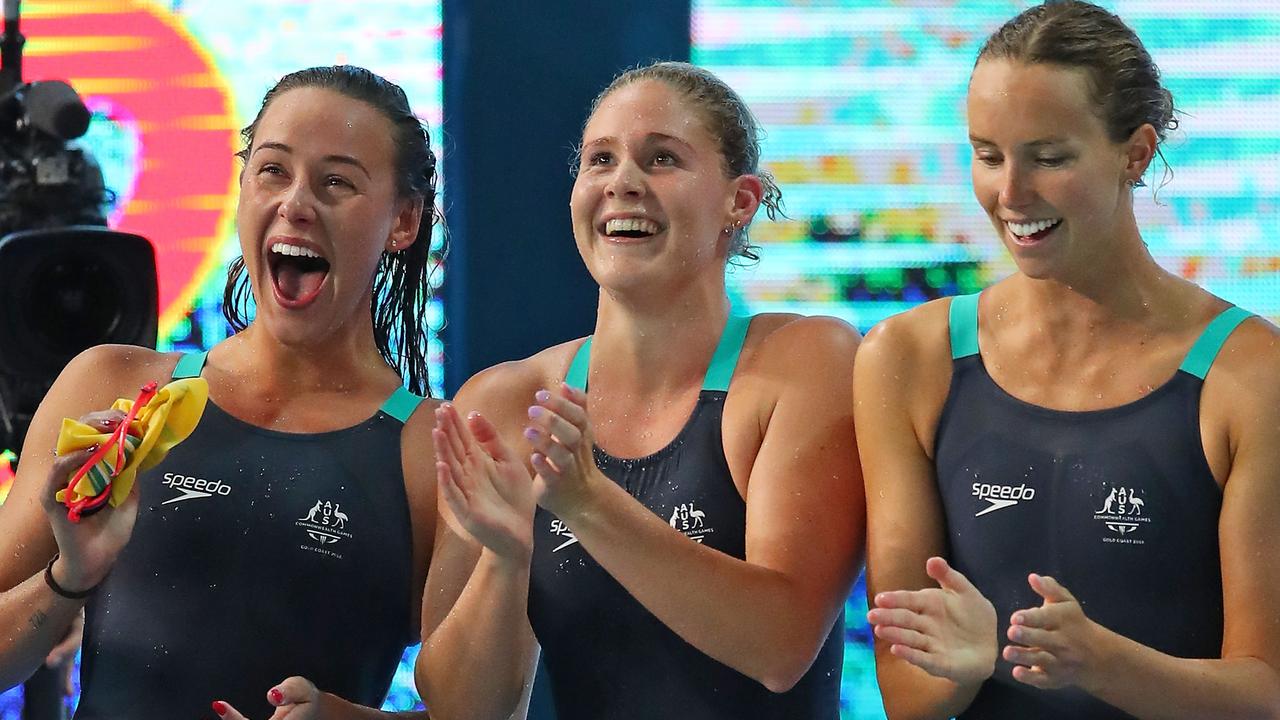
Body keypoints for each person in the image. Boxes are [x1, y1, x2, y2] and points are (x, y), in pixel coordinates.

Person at [857, 3, 1280, 718]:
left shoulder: (1249, 374)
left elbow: (1264, 692)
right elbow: (907, 696)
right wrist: (965, 664)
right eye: (987, 155)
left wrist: (1103, 662)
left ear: (1135, 154)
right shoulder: (907, 358)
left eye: (1049, 158)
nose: (1011, 193)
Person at [416, 61, 864, 720]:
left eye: (661, 160)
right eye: (600, 160)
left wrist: (588, 502)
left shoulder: (802, 364)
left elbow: (781, 643)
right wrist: (508, 560)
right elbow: (461, 708)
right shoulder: (503, 403)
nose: (622, 182)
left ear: (739, 201)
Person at [0, 65, 440, 719]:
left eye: (337, 182)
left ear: (403, 221)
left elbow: (485, 707)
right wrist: (70, 576)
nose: (296, 203)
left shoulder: (429, 453)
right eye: (272, 171)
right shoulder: (117, 387)